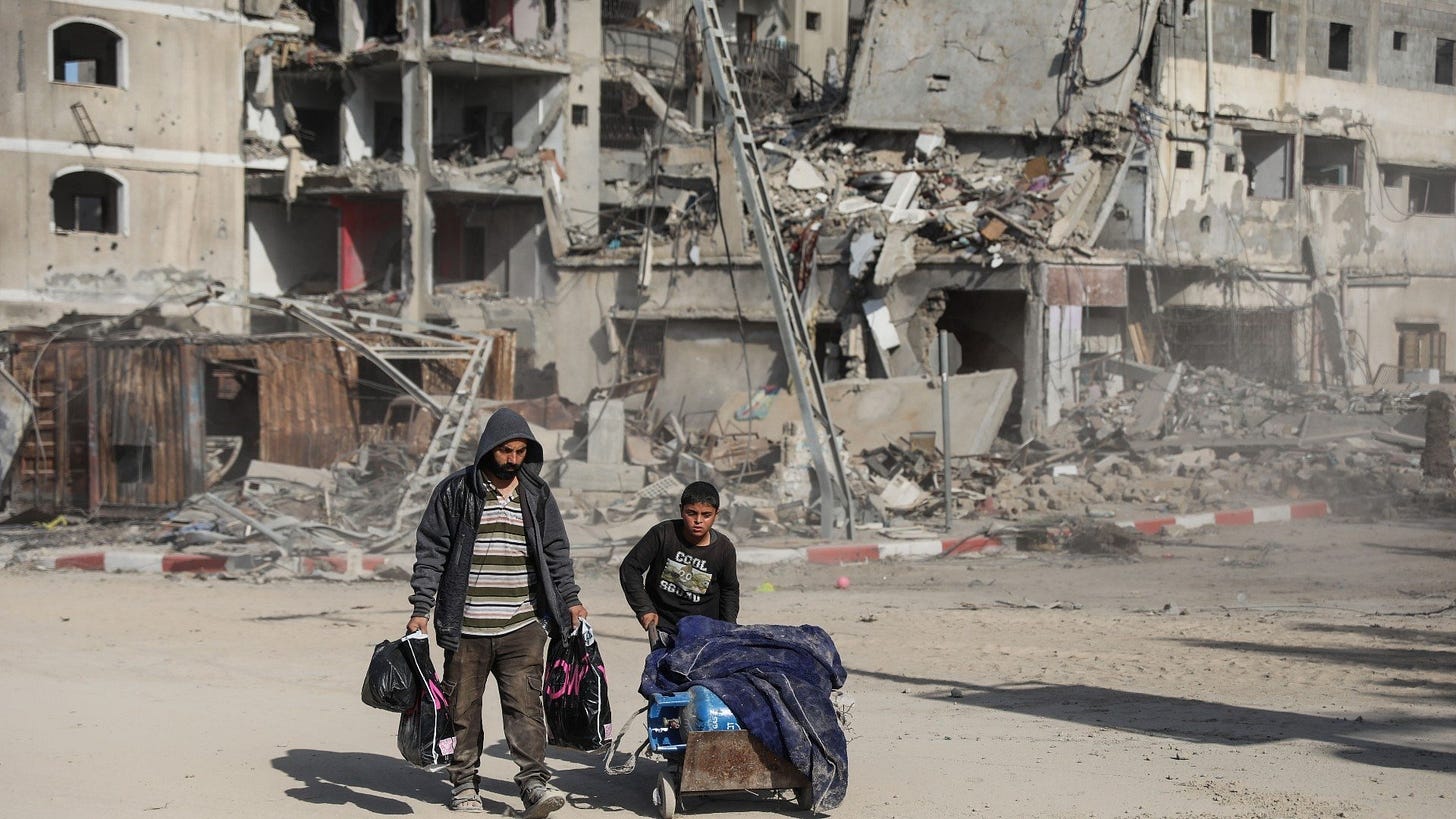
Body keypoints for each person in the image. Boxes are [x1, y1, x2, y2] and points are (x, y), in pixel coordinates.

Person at [406, 407, 587, 817]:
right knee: (462, 711)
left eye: (521, 451)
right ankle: (465, 784)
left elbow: (557, 552)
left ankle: (533, 784)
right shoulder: (455, 492)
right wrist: (422, 607)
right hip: (466, 627)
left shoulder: (537, 494)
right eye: (506, 451)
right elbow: (431, 552)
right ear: (489, 448)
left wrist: (570, 598)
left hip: (523, 624)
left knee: (525, 708)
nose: (513, 459)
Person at [619, 481, 740, 645]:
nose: (698, 521)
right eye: (691, 513)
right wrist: (645, 609)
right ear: (681, 509)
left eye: (706, 515)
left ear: (716, 515)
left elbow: (729, 590)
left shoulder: (724, 549)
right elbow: (630, 568)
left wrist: (728, 629)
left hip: (704, 631)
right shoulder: (663, 534)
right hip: (664, 626)